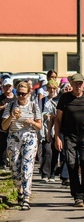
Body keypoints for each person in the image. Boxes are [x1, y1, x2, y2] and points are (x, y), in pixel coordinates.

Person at [53, 73, 84, 207]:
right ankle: (77, 196)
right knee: (72, 165)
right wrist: (57, 137)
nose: (78, 86)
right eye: (75, 83)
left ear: (83, 84)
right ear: (71, 85)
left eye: (80, 83)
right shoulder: (65, 98)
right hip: (69, 137)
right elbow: (58, 120)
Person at [1, 81, 42, 210]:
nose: (20, 96)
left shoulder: (34, 106)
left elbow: (39, 126)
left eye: (23, 94)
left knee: (27, 167)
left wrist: (32, 122)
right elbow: (3, 126)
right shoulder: (11, 105)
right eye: (18, 93)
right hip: (14, 137)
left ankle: (26, 197)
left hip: (29, 137)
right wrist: (12, 116)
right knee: (14, 168)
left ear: (29, 93)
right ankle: (19, 189)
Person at [0, 78, 16, 169]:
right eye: (6, 86)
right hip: (1, 125)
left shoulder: (15, 98)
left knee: (12, 145)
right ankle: (2, 163)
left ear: (12, 87)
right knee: (2, 144)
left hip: (13, 126)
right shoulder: (1, 98)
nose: (8, 88)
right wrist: (3, 107)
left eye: (9, 86)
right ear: (3, 87)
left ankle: (11, 162)